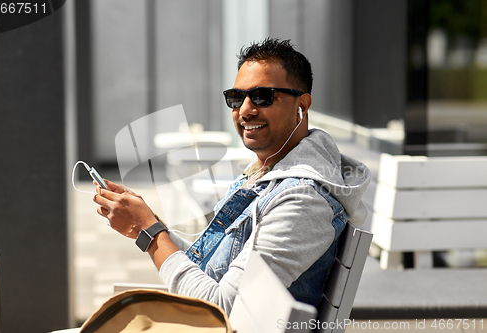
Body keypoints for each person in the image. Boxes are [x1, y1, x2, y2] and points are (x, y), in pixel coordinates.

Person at [93, 38, 370, 315]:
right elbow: (209, 268)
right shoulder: (266, 173)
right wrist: (146, 223)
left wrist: (150, 232)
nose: (246, 110)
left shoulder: (302, 201)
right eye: (237, 98)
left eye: (263, 96)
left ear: (302, 105)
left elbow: (220, 308)